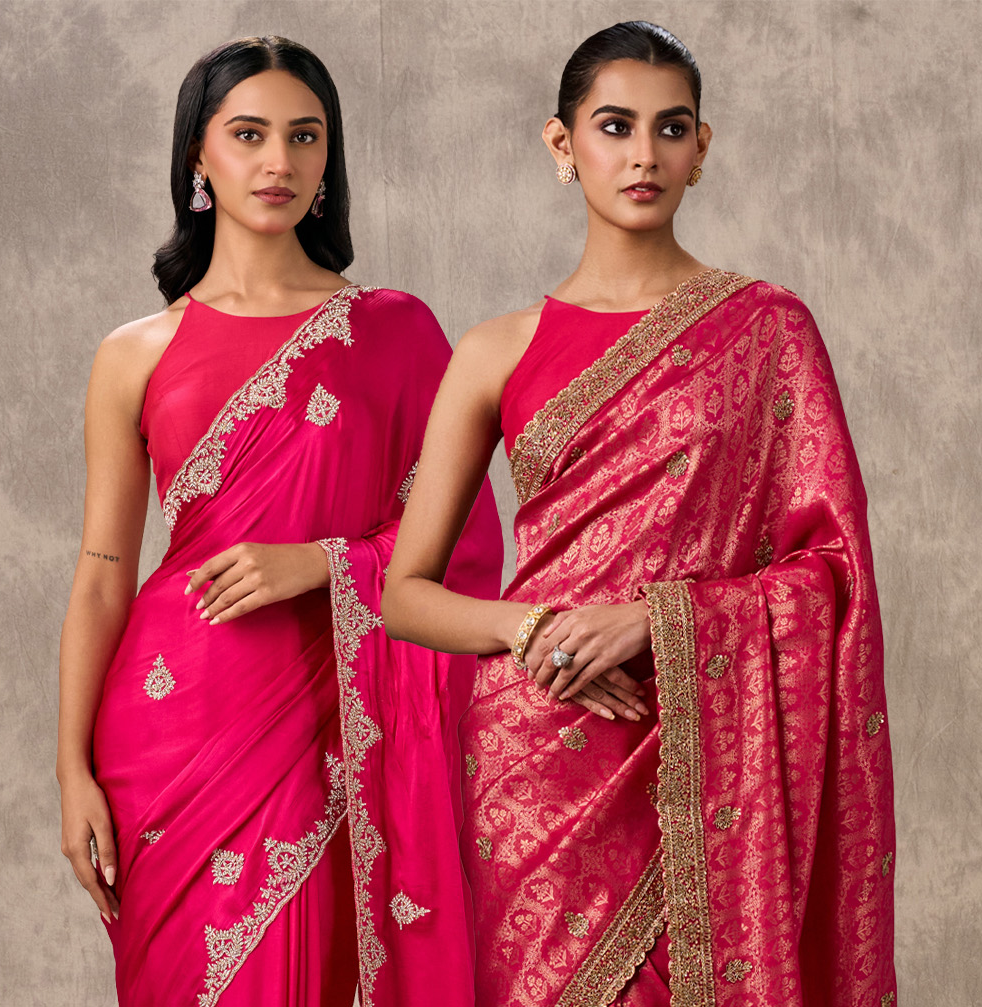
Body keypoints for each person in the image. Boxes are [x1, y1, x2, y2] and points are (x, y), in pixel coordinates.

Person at [382, 21, 896, 1006]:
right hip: (539, 749)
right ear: (561, 144)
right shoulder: (496, 348)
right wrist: (533, 629)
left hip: (702, 744)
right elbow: (407, 592)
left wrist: (655, 622)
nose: (643, 153)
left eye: (670, 129)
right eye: (614, 126)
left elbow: (831, 570)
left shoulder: (765, 327)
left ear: (701, 149)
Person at [54, 35, 501, 1005]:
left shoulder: (394, 330)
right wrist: (69, 770)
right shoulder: (133, 354)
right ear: (196, 159)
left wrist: (325, 563)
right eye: (248, 134)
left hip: (326, 728)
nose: (279, 162)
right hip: (166, 735)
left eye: (305, 137)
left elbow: (462, 546)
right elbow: (100, 574)